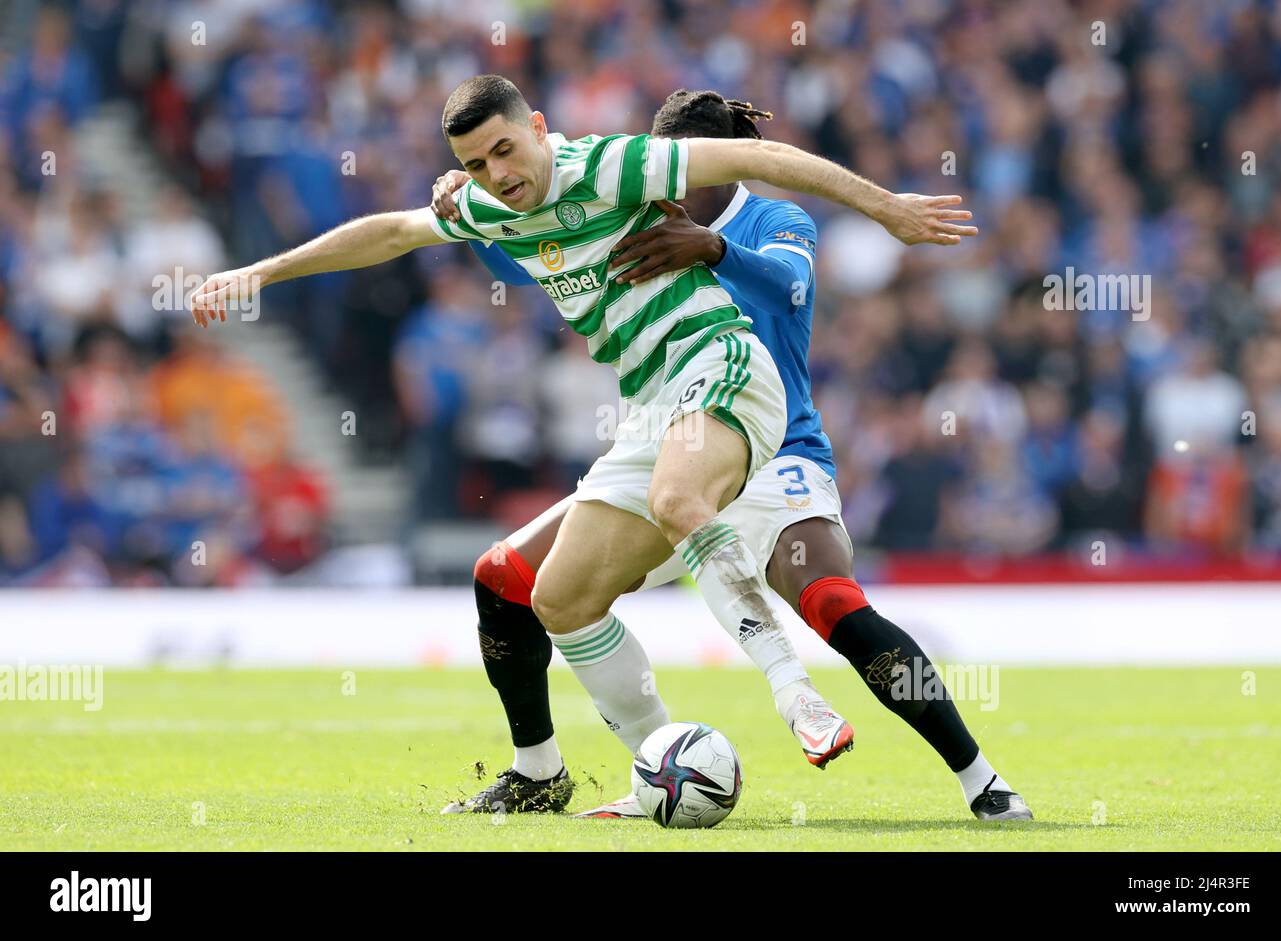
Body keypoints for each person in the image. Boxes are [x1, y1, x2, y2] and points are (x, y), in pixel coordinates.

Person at [190, 73, 979, 817]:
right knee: (555, 598)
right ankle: (657, 768)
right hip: (651, 409)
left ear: (538, 128)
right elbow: (392, 232)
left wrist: (886, 209)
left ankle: (797, 692)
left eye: (505, 149)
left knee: (684, 503)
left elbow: (757, 155)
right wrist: (260, 272)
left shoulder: (608, 164)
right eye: (474, 163)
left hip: (724, 366)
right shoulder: (489, 205)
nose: (496, 173)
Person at [435, 90, 1031, 821]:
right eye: (667, 176)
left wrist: (714, 248)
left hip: (778, 451)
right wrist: (466, 207)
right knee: (507, 577)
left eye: (688, 175)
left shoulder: (773, 219)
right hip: (672, 447)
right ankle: (553, 769)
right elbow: (536, 256)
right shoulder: (633, 210)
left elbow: (790, 287)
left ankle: (980, 776)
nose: (674, 190)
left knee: (830, 600)